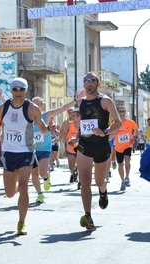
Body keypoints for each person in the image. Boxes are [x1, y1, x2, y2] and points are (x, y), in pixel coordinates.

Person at [0, 77, 56, 235]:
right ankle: (17, 189)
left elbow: (43, 130)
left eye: (21, 89)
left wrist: (50, 129)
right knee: (10, 193)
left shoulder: (32, 109)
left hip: (26, 152)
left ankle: (21, 222)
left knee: (23, 186)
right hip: (8, 153)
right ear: (11, 91)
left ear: (25, 91)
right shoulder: (4, 107)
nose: (18, 92)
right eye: (15, 89)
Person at [72, 72, 121, 230]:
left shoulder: (105, 101)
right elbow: (83, 124)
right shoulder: (81, 102)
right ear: (83, 84)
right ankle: (88, 215)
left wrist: (105, 132)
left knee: (99, 180)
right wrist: (76, 136)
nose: (89, 83)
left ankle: (103, 190)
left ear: (97, 83)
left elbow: (117, 123)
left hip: (101, 145)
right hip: (85, 145)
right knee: (85, 180)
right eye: (86, 80)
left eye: (92, 80)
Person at [31, 94, 84, 204]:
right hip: (32, 149)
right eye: (33, 105)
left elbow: (63, 108)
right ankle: (39, 194)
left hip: (45, 149)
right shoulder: (27, 117)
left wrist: (75, 100)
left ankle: (46, 177)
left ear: (42, 106)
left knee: (41, 172)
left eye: (37, 105)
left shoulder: (46, 115)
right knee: (34, 174)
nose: (34, 107)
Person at [113, 106, 138, 191]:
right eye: (119, 111)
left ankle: (127, 177)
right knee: (120, 165)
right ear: (117, 113)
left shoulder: (130, 122)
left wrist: (134, 137)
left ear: (125, 112)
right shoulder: (114, 124)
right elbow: (110, 133)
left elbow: (136, 129)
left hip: (128, 145)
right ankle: (122, 181)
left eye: (123, 111)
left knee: (127, 159)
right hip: (118, 147)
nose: (121, 113)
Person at [65, 109, 81, 188]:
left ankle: (80, 182)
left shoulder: (83, 125)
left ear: (79, 117)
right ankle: (74, 171)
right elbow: (63, 134)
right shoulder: (69, 124)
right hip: (70, 147)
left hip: (80, 148)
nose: (72, 117)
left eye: (74, 116)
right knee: (71, 166)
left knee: (81, 165)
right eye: (71, 115)